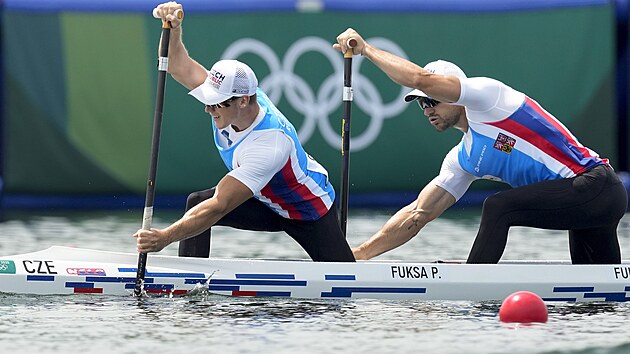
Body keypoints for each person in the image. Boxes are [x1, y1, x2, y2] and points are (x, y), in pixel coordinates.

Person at [334, 28, 627, 264]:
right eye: (421, 104)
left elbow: (418, 78)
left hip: (595, 185)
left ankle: (474, 281)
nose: (427, 110)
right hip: (581, 204)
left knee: (498, 206)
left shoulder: (488, 98)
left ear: (453, 92)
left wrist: (365, 49)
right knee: (596, 304)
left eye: (431, 99)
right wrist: (356, 256)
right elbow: (417, 214)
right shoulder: (462, 158)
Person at [134, 2, 355, 262]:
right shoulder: (236, 101)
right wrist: (173, 27)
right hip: (265, 201)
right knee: (196, 202)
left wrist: (165, 238)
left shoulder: (269, 143)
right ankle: (189, 279)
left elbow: (220, 206)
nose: (208, 108)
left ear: (243, 101)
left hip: (307, 211)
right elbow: (176, 66)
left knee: (342, 286)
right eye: (208, 99)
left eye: (217, 103)